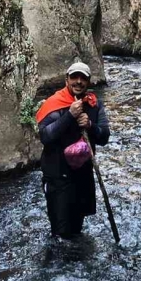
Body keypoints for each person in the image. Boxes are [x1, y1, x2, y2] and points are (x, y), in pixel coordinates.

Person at [36, 61, 110, 239]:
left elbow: (104, 137)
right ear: (66, 80)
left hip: (82, 176)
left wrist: (90, 126)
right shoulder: (54, 104)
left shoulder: (93, 104)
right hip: (57, 176)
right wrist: (70, 115)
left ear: (89, 81)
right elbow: (45, 136)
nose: (78, 82)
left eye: (83, 78)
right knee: (60, 233)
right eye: (74, 77)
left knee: (77, 228)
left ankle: (77, 264)